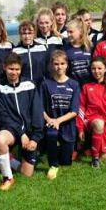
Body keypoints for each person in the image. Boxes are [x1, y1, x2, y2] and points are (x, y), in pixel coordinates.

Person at [0, 53, 44, 188]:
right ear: (4, 67)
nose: (14, 72)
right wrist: (21, 133)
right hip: (10, 129)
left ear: (21, 69)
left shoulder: (29, 85)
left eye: (17, 69)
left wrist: (35, 138)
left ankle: (9, 159)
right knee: (0, 140)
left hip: (29, 131)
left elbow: (37, 112)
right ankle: (7, 178)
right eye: (11, 69)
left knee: (26, 173)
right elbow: (2, 116)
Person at [41, 50, 80, 180]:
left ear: (67, 65)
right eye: (56, 64)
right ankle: (53, 163)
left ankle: (59, 152)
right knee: (51, 134)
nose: (59, 67)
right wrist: (50, 120)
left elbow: (74, 111)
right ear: (52, 65)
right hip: (51, 122)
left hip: (67, 123)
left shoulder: (74, 84)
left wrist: (58, 120)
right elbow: (40, 108)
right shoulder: (46, 84)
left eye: (62, 63)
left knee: (66, 162)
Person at [78, 57, 106, 168]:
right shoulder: (86, 87)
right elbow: (81, 108)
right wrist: (80, 128)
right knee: (98, 123)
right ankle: (95, 159)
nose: (96, 71)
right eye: (93, 68)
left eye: (99, 68)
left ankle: (92, 149)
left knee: (104, 155)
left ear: (105, 68)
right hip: (90, 121)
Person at [13, 20, 49, 85]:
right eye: (24, 33)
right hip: (24, 86)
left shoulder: (42, 48)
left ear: (34, 34)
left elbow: (48, 69)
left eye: (29, 33)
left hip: (41, 85)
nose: (27, 36)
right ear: (20, 35)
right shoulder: (15, 51)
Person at [63, 18, 93, 85]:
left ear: (80, 31)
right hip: (72, 86)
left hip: (89, 86)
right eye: (67, 32)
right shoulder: (65, 49)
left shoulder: (90, 47)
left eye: (71, 32)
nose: (68, 35)